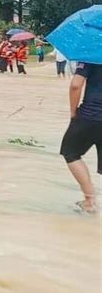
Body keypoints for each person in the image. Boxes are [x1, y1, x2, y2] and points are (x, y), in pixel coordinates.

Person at [60, 62, 102, 214]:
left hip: (91, 115)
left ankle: (90, 200)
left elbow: (76, 85)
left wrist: (73, 112)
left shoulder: (91, 54)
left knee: (70, 152)